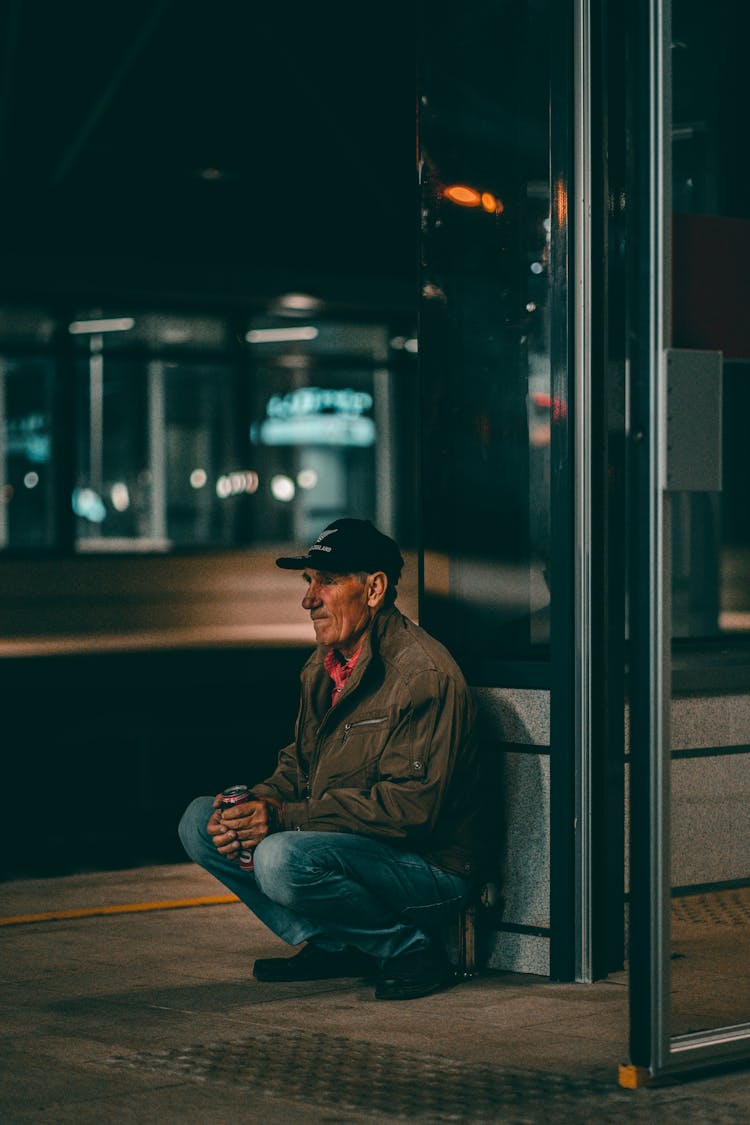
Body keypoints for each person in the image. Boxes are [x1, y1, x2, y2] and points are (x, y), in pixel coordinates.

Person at [178, 517, 483, 1000]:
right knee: (200, 820)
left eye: (328, 581)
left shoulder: (421, 676)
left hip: (431, 871)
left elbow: (410, 813)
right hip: (358, 853)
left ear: (375, 589)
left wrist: (282, 818)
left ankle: (408, 949)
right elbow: (298, 769)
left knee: (280, 856)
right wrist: (255, 803)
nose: (309, 599)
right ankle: (335, 943)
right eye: (308, 582)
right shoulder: (323, 670)